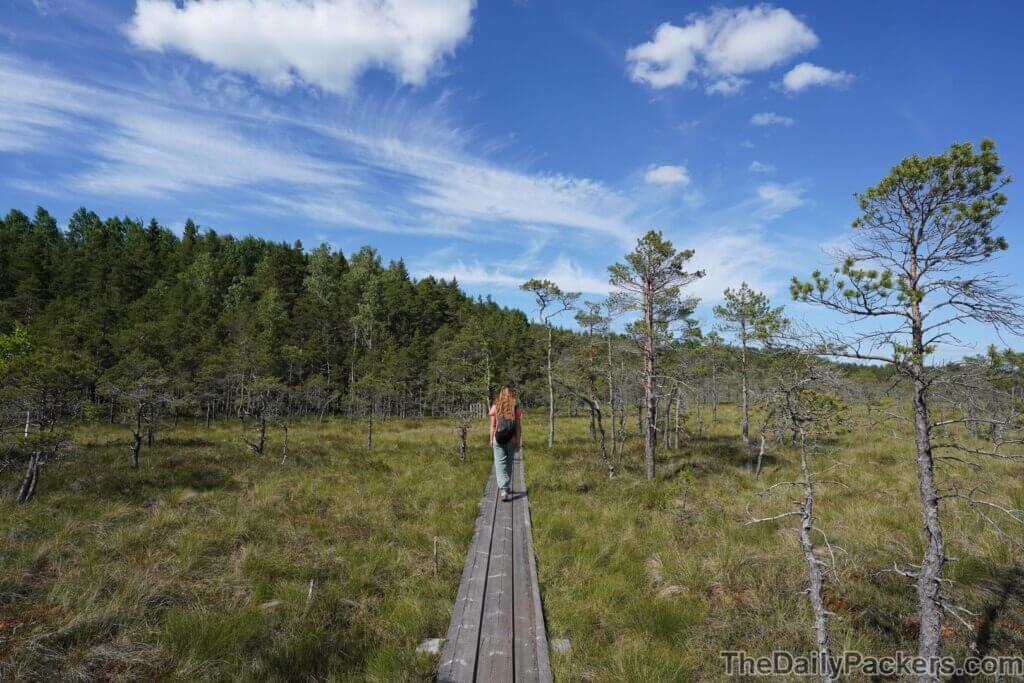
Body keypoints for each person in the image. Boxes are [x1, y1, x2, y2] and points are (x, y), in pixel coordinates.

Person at [489, 386, 523, 502]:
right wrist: (518, 441)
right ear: (512, 394)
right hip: (512, 440)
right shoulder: (516, 408)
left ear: (501, 395)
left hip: (498, 439)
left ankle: (504, 488)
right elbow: (518, 427)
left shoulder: (496, 406)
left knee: (500, 464)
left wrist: (491, 439)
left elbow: (493, 426)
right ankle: (506, 486)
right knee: (509, 463)